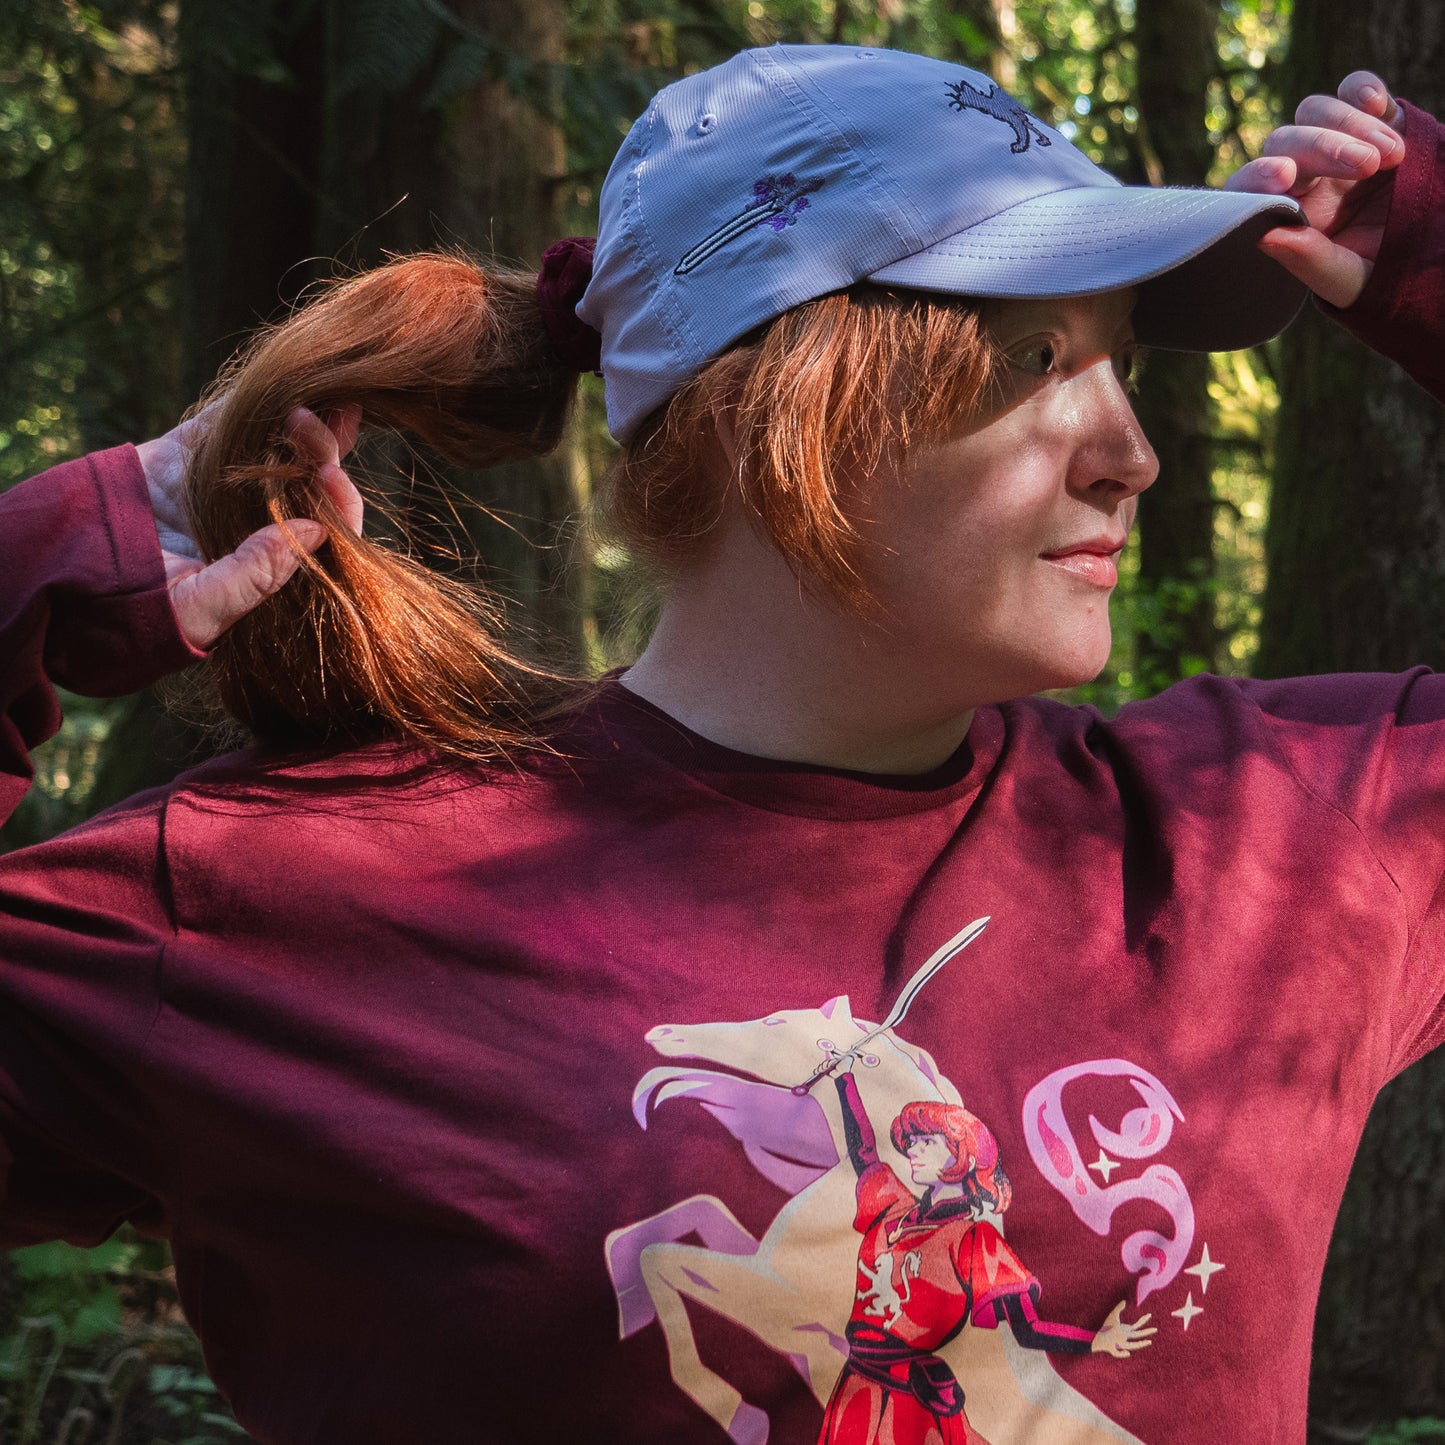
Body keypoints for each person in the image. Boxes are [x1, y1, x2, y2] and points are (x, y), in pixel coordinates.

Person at [1, 41, 1441, 1445]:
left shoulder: (1277, 841)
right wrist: (79, 556)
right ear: (787, 404)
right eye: (1038, 354)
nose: (1129, 451)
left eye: (1117, 363)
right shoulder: (280, 900)